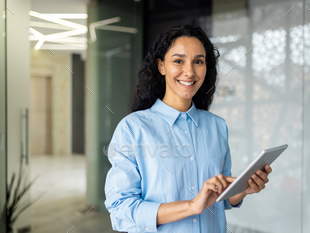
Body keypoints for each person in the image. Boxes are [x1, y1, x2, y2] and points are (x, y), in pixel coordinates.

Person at [104, 24, 272, 233]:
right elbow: (121, 211)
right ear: (161, 66)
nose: (190, 71)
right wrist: (192, 206)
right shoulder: (133, 128)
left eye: (198, 62)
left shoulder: (217, 126)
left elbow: (222, 198)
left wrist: (243, 190)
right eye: (178, 61)